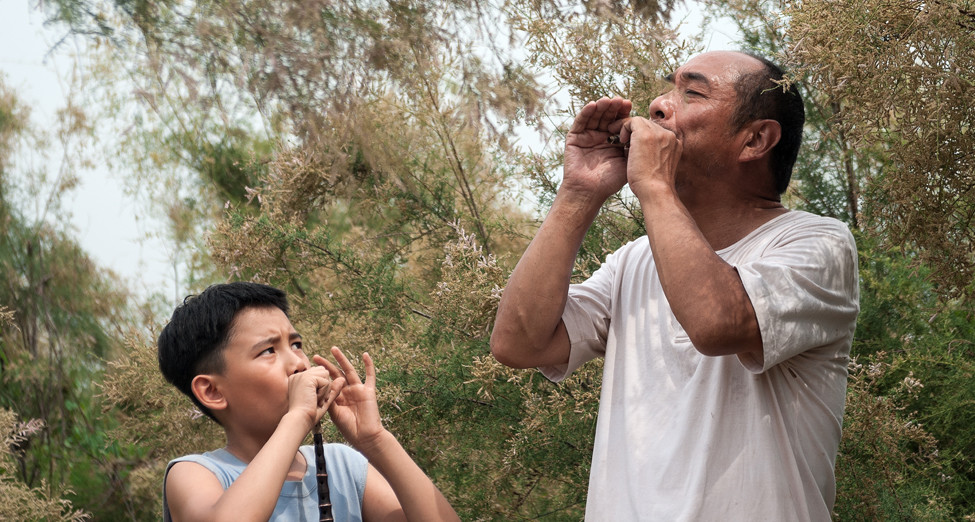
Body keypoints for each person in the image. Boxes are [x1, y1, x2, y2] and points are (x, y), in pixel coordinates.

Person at [490, 51, 859, 520]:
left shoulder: (818, 245)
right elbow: (517, 343)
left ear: (756, 139)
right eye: (669, 87)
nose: (660, 106)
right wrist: (579, 192)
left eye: (693, 92)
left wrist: (655, 187)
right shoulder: (633, 262)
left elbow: (716, 324)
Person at [158, 281, 459, 522]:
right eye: (268, 351)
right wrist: (297, 418)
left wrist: (377, 441)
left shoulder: (343, 465)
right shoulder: (194, 474)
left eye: (296, 344)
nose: (299, 364)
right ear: (212, 392)